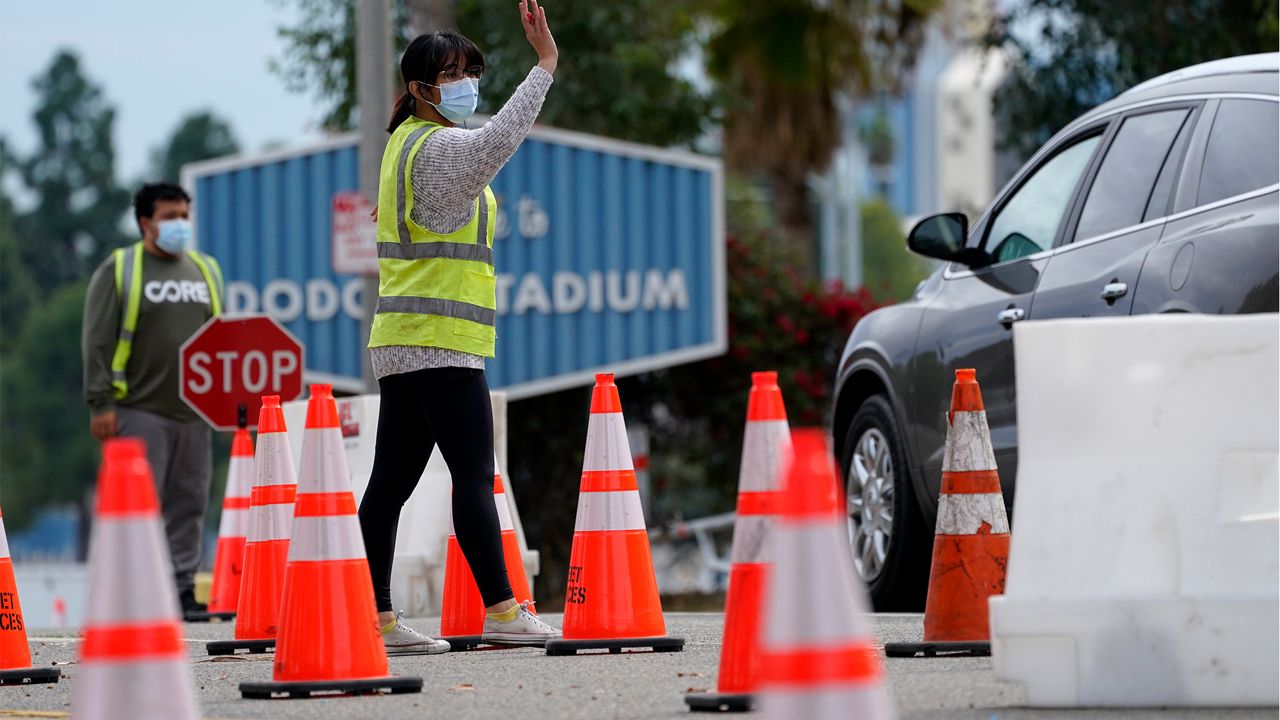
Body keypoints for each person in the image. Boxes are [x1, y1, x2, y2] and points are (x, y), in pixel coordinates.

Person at [358, 0, 561, 653]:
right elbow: (497, 142)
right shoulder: (441, 145)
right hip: (440, 342)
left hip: (402, 339)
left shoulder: (403, 145)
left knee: (389, 483)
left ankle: (377, 619)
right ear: (419, 89)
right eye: (452, 74)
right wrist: (546, 66)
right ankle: (502, 611)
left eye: (472, 70)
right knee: (474, 475)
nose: (466, 83)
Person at [82, 182, 224, 619]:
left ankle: (181, 589)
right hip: (139, 408)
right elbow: (98, 339)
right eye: (169, 216)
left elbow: (222, 338)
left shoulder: (204, 270)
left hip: (194, 411)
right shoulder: (121, 269)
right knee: (139, 504)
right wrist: (100, 402)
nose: (179, 224)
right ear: (146, 222)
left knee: (190, 500)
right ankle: (132, 595)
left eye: (184, 215)